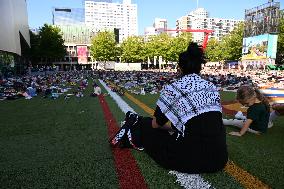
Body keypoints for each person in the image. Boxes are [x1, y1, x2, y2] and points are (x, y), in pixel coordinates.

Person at [110, 43, 228, 174]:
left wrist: (170, 128)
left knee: (147, 124)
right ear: (200, 67)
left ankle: (135, 126)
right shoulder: (212, 87)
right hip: (220, 159)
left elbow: (156, 125)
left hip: (189, 160)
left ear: (180, 67)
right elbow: (207, 121)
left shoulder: (173, 88)